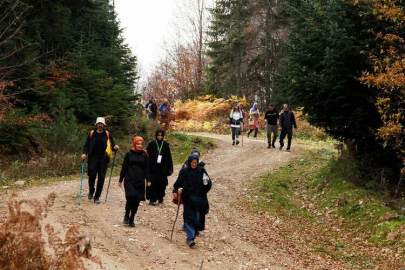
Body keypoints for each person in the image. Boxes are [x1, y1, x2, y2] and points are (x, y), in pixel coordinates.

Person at [173, 154, 212, 247]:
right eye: (192, 162)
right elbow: (177, 183)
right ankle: (190, 238)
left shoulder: (201, 170)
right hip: (188, 198)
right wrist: (178, 189)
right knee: (189, 218)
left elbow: (208, 184)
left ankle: (192, 236)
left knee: (197, 219)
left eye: (195, 162)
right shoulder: (185, 171)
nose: (194, 164)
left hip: (199, 199)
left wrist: (206, 182)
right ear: (189, 162)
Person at [82, 117, 119, 204]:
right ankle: (91, 190)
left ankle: (97, 196)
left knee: (101, 178)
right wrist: (84, 153)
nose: (100, 125)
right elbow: (86, 145)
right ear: (96, 124)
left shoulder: (107, 134)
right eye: (99, 123)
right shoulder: (91, 134)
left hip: (103, 159)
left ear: (104, 125)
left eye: (101, 124)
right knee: (92, 176)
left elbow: (112, 146)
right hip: (93, 158)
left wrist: (115, 147)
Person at [118, 136, 150, 227]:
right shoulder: (129, 153)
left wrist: (148, 180)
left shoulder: (145, 155)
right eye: (138, 144)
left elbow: (147, 168)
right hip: (129, 179)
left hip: (140, 180)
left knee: (137, 200)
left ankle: (132, 218)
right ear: (134, 144)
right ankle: (126, 215)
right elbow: (124, 167)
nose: (139, 146)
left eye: (141, 144)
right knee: (131, 197)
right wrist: (120, 179)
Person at [146, 129, 173, 205]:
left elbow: (169, 157)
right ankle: (152, 199)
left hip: (162, 169)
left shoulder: (165, 145)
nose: (160, 137)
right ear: (156, 135)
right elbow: (146, 154)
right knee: (152, 183)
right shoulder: (151, 144)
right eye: (158, 135)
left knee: (161, 184)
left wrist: (170, 168)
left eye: (161, 135)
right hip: (153, 168)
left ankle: (160, 197)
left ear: (163, 136)